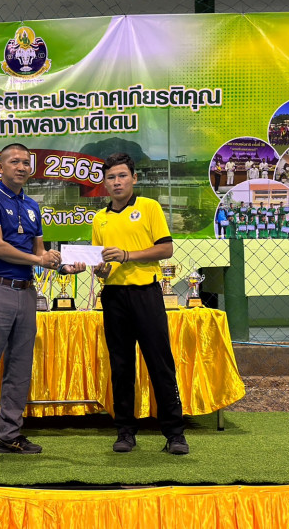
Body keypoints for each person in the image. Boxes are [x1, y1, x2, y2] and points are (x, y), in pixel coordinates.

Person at [0, 143, 85, 463]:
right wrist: (38, 259)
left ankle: (9, 435)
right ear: (0, 167)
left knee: (19, 368)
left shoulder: (32, 206)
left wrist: (63, 266)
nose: (21, 167)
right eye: (14, 162)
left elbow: (40, 253)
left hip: (26, 292)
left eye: (26, 163)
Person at [92, 152, 188, 456]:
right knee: (121, 366)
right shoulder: (99, 218)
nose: (117, 182)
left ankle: (175, 434)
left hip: (146, 294)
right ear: (104, 183)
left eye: (122, 176)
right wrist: (97, 269)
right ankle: (125, 431)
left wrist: (127, 256)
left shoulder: (149, 207)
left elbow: (166, 249)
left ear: (134, 178)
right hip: (113, 297)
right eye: (111, 177)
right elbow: (101, 265)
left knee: (160, 364)